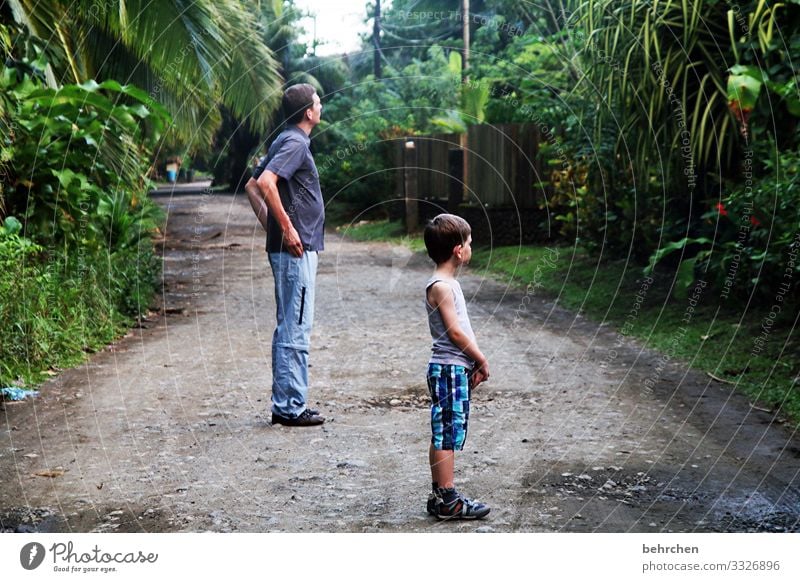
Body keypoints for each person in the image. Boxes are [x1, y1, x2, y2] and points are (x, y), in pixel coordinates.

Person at [244, 83, 325, 427]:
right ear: (308, 112)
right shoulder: (294, 142)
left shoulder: (285, 138)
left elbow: (252, 183)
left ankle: (285, 403)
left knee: (289, 325)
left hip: (291, 247)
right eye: (318, 102)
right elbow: (264, 183)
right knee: (296, 325)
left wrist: (272, 226)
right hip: (296, 248)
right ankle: (291, 406)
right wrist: (288, 230)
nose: (321, 106)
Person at [422, 213, 491, 520]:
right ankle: (448, 498)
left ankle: (439, 494)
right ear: (458, 250)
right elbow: (455, 332)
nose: (471, 247)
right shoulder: (443, 287)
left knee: (443, 431)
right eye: (469, 242)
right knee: (446, 434)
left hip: (452, 369)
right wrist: (480, 358)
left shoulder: (446, 284)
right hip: (449, 369)